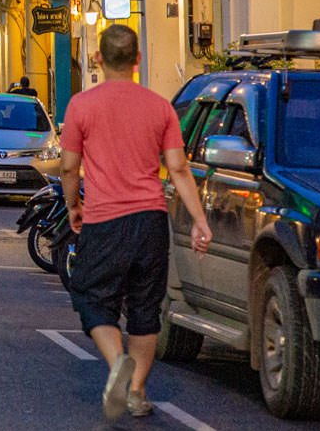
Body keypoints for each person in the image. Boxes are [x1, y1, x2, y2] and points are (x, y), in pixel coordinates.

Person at [59, 25, 211, 420]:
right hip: (150, 221)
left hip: (105, 220)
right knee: (146, 307)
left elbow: (69, 167)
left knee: (92, 297)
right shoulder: (160, 107)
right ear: (138, 60)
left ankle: (116, 365)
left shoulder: (81, 106)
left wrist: (73, 205)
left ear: (98, 59)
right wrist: (199, 221)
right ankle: (138, 391)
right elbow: (177, 167)